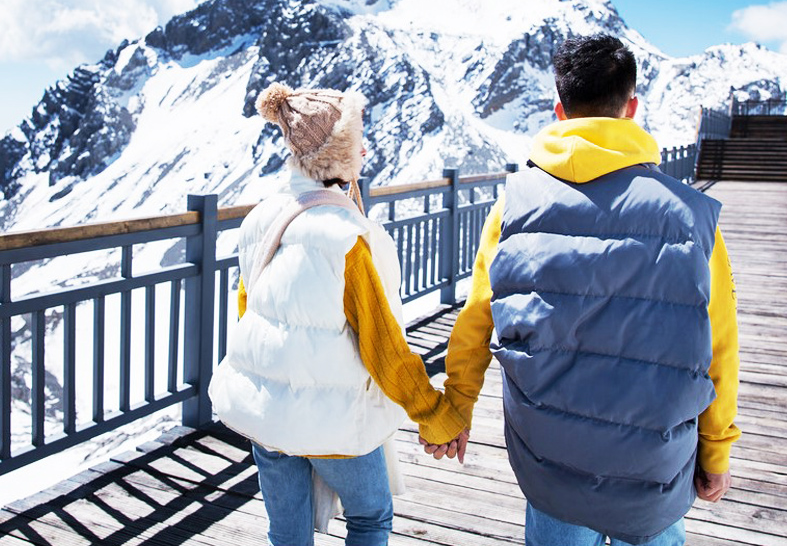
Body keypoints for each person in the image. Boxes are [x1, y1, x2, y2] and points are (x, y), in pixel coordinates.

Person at [419, 35, 740, 546]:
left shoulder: (514, 205)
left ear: (558, 109)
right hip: (655, 468)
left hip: (551, 465)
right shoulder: (690, 217)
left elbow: (478, 317)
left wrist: (455, 409)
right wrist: (716, 451)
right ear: (631, 109)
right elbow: (718, 344)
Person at [209, 82, 467, 546]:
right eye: (356, 142)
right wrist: (434, 414)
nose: (365, 149)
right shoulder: (345, 237)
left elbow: (251, 311)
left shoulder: (260, 219)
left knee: (286, 531)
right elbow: (383, 347)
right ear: (338, 155)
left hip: (267, 414)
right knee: (370, 515)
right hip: (332, 418)